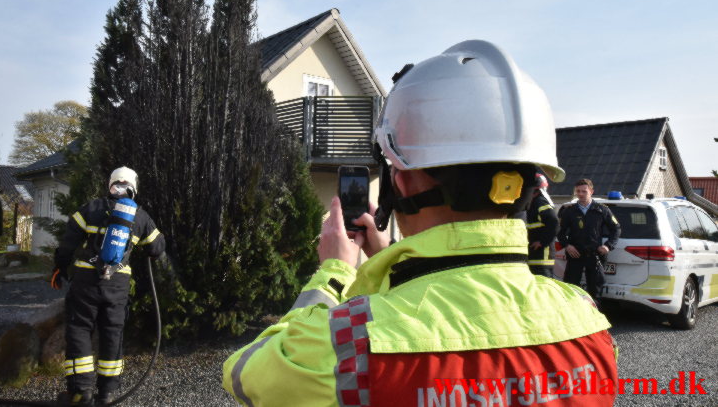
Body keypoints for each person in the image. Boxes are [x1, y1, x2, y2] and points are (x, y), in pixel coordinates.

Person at [222, 40, 618, 406]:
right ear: (529, 185)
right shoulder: (589, 322)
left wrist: (334, 272)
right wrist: (392, 263)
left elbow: (246, 373)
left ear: (403, 180)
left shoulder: (347, 343)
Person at [51, 167, 164, 406]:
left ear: (110, 184)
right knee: (113, 334)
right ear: (134, 187)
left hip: (85, 283)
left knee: (80, 330)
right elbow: (156, 248)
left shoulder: (90, 209)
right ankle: (107, 393)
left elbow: (67, 243)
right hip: (117, 287)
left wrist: (59, 268)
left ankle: (81, 392)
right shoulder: (140, 216)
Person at [558, 178, 620, 305]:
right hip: (575, 254)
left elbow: (616, 229)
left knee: (595, 290)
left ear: (591, 191)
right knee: (571, 287)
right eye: (578, 191)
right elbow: (560, 232)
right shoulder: (569, 211)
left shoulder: (602, 210)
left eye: (584, 191)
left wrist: (608, 246)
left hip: (595, 255)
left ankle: (595, 318)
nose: (580, 194)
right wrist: (567, 245)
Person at [525, 173, 558, 277]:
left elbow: (554, 222)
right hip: (533, 255)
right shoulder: (531, 204)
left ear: (535, 190)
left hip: (542, 257)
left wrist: (542, 242)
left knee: (544, 286)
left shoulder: (540, 203)